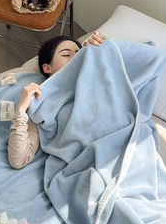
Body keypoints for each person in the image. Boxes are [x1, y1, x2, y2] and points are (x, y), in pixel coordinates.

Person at [7, 31, 105, 169]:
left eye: (78, 54)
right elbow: (17, 160)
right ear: (47, 68)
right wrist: (21, 110)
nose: (74, 58)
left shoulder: (97, 76)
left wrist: (102, 51)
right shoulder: (42, 102)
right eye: (66, 55)